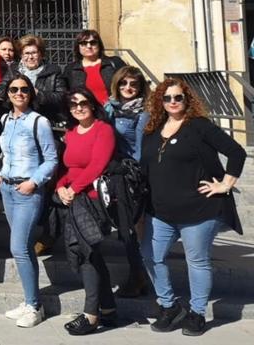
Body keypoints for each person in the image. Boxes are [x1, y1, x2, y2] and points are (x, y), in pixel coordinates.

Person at [140, 78, 246, 336]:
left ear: (187, 100)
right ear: (160, 101)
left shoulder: (199, 126)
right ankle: (169, 307)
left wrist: (225, 184)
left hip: (199, 210)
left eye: (178, 97)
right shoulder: (153, 128)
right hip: (160, 212)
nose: (173, 102)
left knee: (197, 261)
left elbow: (236, 152)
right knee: (151, 255)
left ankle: (197, 313)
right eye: (167, 98)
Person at [0, 75, 58, 328]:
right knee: (24, 248)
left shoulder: (38, 122)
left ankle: (35, 306)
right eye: (13, 90)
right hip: (8, 189)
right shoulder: (5, 119)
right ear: (7, 94)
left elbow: (51, 159)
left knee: (19, 248)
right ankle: (30, 299)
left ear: (30, 93)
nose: (19, 93)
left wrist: (34, 181)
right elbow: (8, 154)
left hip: (28, 191)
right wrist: (0, 174)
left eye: (24, 90)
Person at [55, 88, 117, 335]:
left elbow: (98, 165)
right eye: (73, 105)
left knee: (88, 252)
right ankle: (109, 309)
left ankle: (91, 314)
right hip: (73, 199)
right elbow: (67, 167)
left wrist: (74, 189)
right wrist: (61, 186)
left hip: (93, 200)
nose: (78, 108)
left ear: (92, 104)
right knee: (89, 253)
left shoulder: (103, 129)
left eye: (83, 103)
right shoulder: (71, 132)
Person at [103, 66, 151, 299]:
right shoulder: (110, 108)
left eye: (133, 84)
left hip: (131, 174)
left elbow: (141, 151)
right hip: (112, 171)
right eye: (123, 84)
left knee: (131, 227)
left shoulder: (143, 114)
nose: (128, 88)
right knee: (123, 227)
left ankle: (138, 275)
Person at [0, 35, 68, 126]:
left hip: (44, 119)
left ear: (41, 54)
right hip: (17, 118)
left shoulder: (53, 71)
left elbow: (61, 96)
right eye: (26, 53)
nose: (30, 57)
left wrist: (38, 94)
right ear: (21, 55)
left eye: (34, 53)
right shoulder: (13, 70)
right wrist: (16, 94)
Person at [62, 29, 126, 104]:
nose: (89, 46)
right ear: (78, 47)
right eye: (84, 43)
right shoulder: (71, 69)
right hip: (85, 113)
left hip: (113, 112)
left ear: (99, 45)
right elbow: (66, 95)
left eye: (93, 43)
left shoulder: (115, 63)